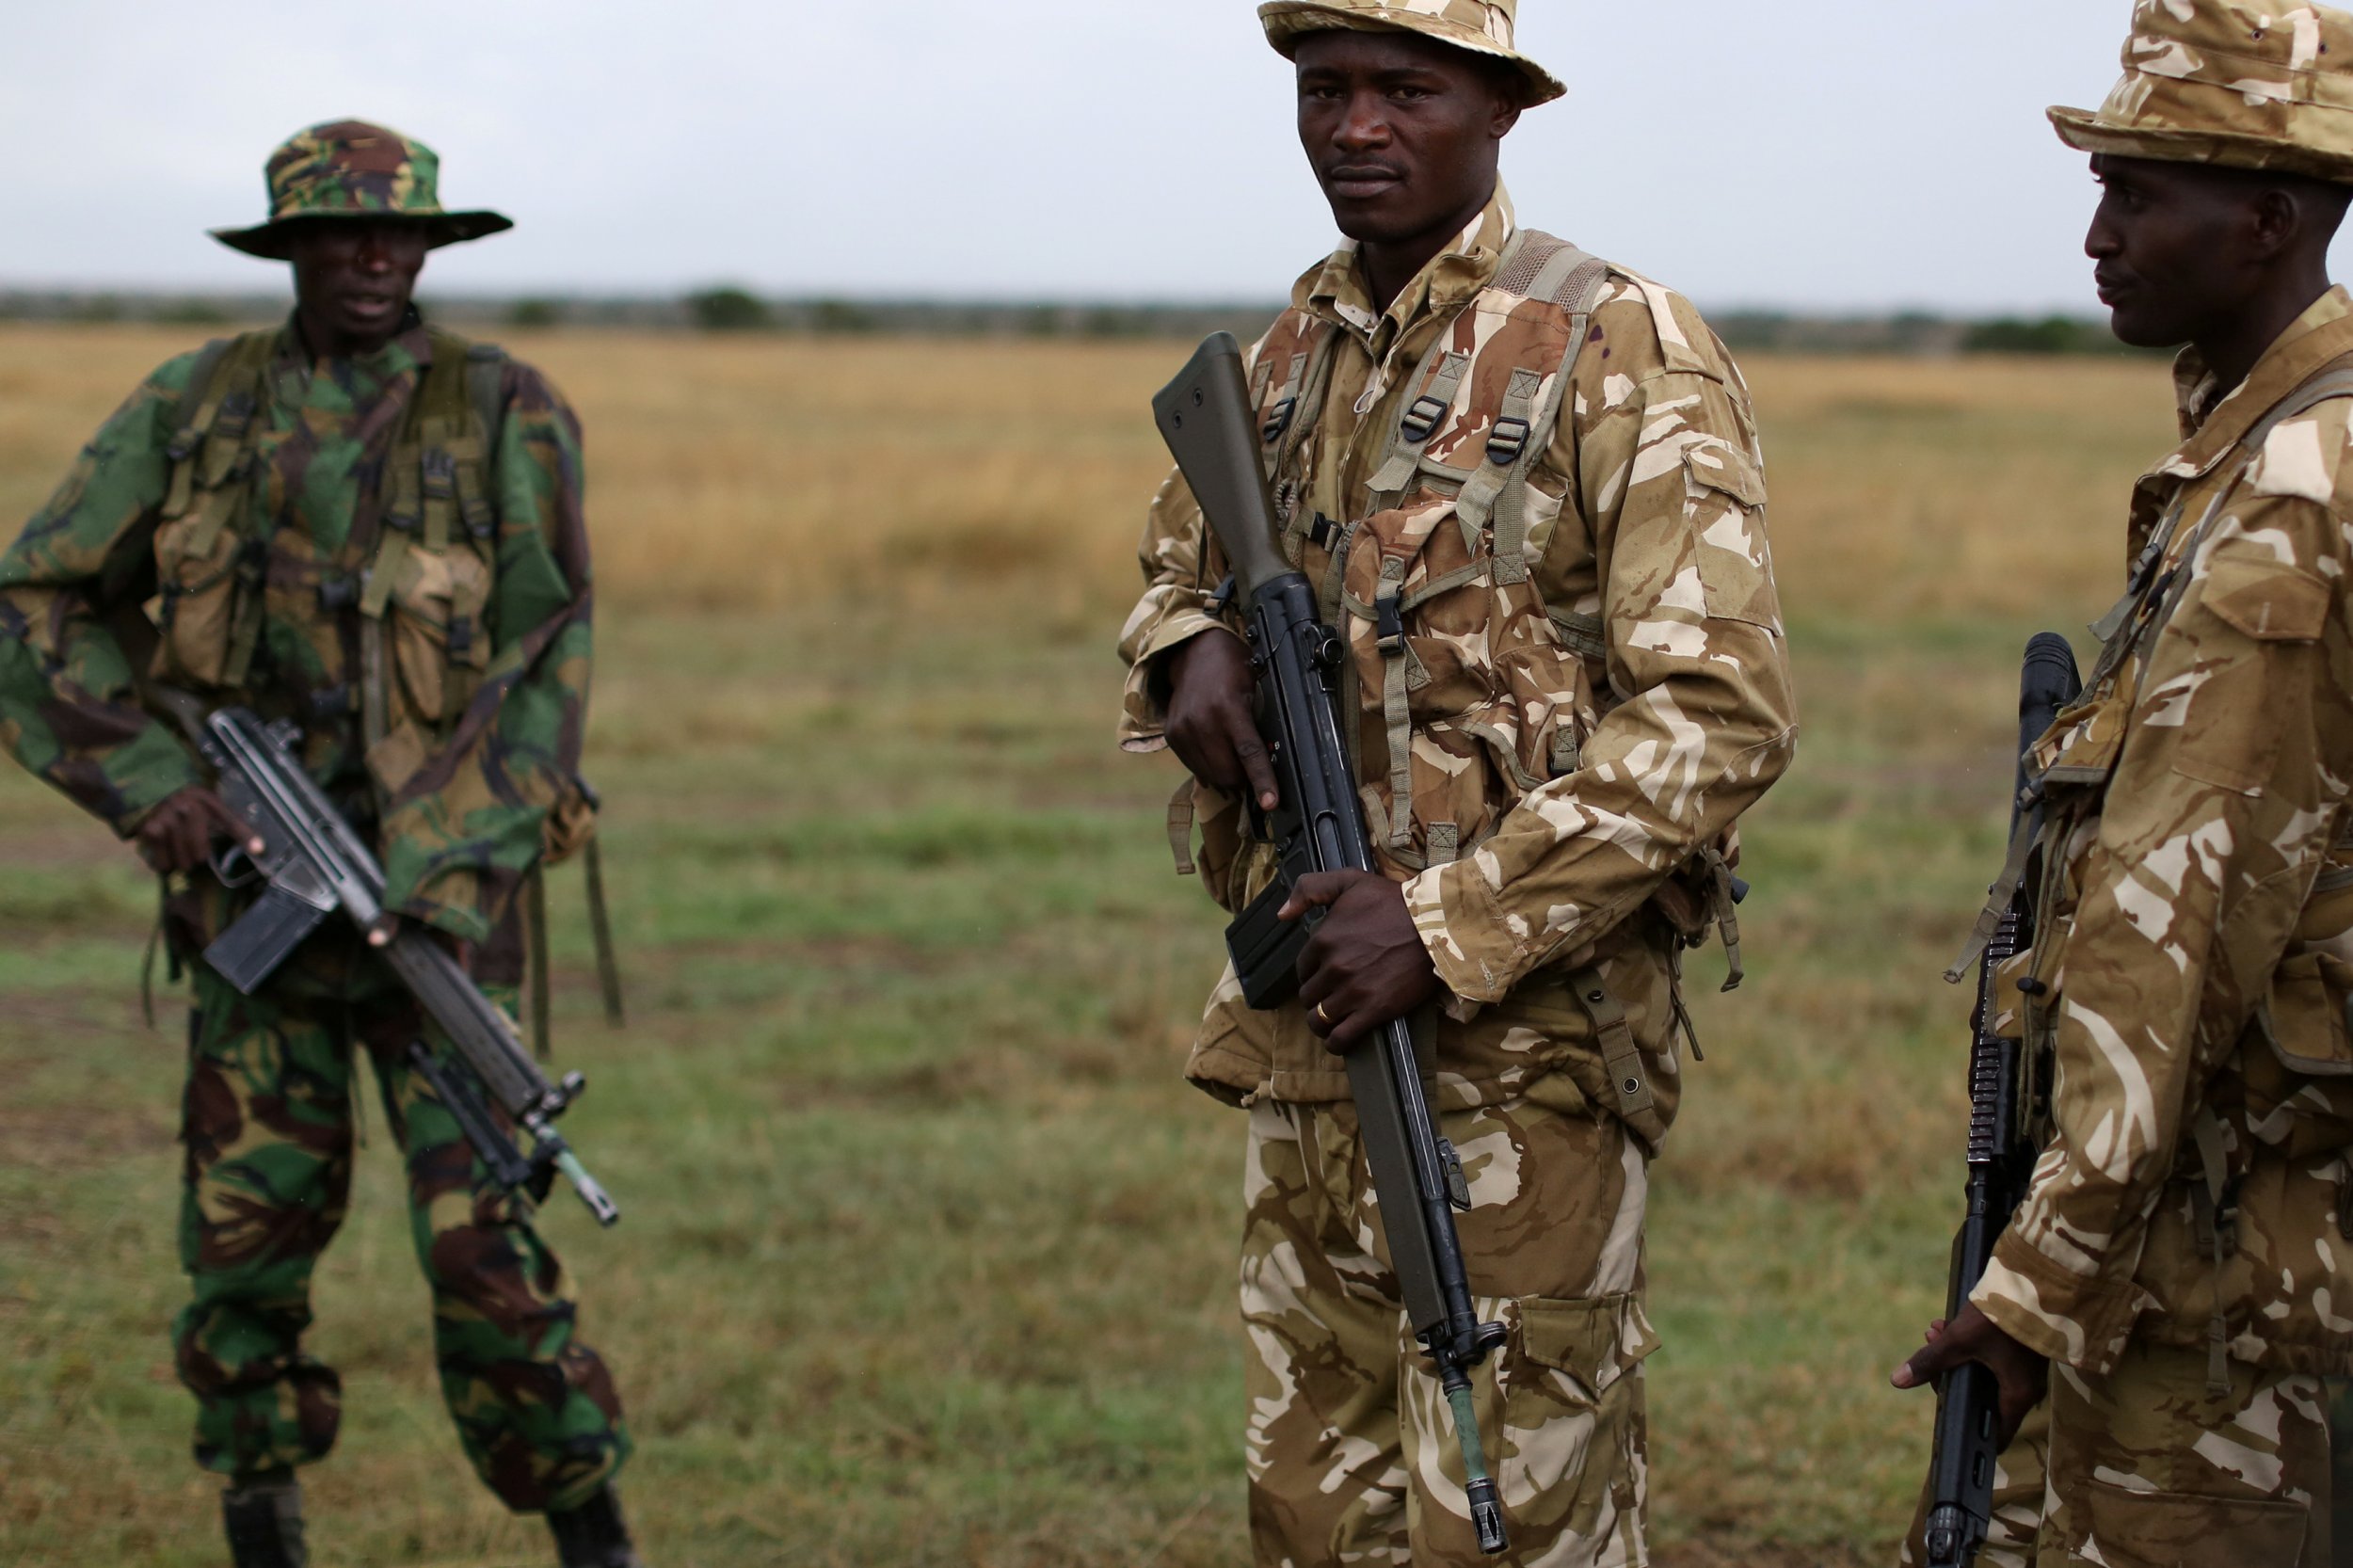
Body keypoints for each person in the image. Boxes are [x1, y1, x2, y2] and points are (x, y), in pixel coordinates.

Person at [1116, 4, 1798, 1560]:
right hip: (1310, 1039)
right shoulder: (1291, 355)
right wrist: (1182, 653)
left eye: (1404, 90)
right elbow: (1172, 567)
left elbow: (1722, 706)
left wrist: (1444, 921)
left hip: (1521, 1058)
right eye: (1325, 89)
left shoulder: (1617, 339)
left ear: (1500, 107)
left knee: (1515, 1515)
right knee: (1311, 1504)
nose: (1355, 126)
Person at [0, 120, 642, 1568]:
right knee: (242, 1260)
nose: (374, 256)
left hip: (441, 924)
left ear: (432, 246)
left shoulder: (506, 412)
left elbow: (546, 656)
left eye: (401, 233)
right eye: (342, 233)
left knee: (489, 1264)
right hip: (255, 919)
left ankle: (594, 1535)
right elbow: (34, 600)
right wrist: (155, 782)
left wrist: (438, 857)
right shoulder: (194, 405)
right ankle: (262, 1524)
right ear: (287, 248)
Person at [1891, 5, 2353, 1562]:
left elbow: (2175, 930)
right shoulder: (2261, 454)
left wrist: (2032, 1288)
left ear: (2271, 218)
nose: (2097, 234)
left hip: (2220, 1275)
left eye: (2141, 194)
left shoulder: (2292, 500)